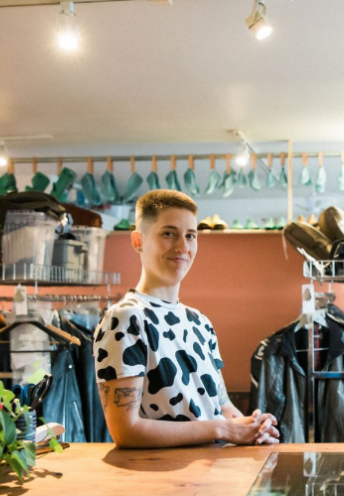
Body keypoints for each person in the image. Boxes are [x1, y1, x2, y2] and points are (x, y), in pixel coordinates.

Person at [94, 189, 279, 448]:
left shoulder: (200, 322)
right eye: (169, 233)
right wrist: (223, 429)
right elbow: (126, 431)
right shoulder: (126, 318)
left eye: (190, 236)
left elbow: (223, 408)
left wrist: (253, 427)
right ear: (138, 241)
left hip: (212, 479)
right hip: (163, 482)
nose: (182, 246)